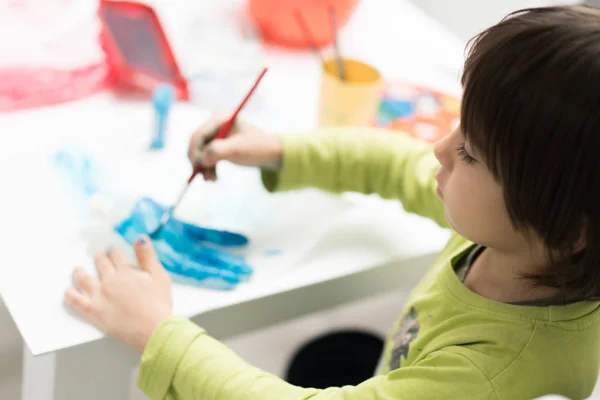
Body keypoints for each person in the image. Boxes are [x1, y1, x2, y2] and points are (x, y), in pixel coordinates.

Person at [64, 5, 600, 399]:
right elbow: (391, 162)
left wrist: (157, 330)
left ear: (567, 227)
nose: (439, 148)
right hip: (404, 364)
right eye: (459, 126)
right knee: (327, 356)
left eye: (474, 154)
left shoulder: (490, 375)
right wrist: (280, 151)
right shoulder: (526, 239)